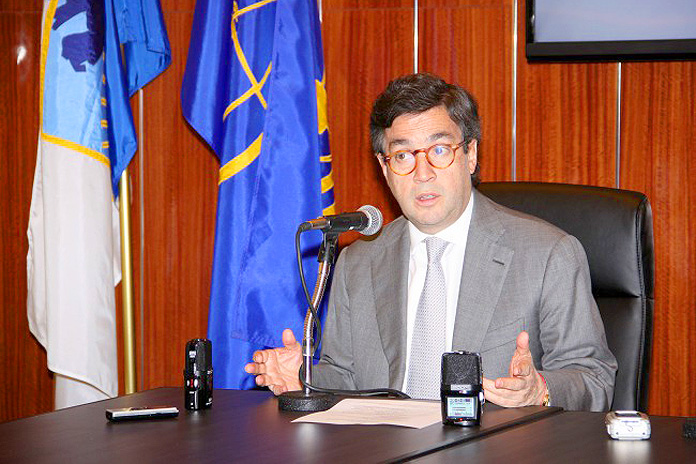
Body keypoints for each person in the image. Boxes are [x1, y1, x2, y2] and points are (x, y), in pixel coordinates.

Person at [245, 73, 617, 411]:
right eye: (403, 155)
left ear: (469, 154)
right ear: (385, 168)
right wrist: (305, 379)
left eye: (439, 150)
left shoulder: (548, 254)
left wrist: (541, 390)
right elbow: (347, 381)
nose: (422, 174)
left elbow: (594, 376)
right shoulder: (358, 261)